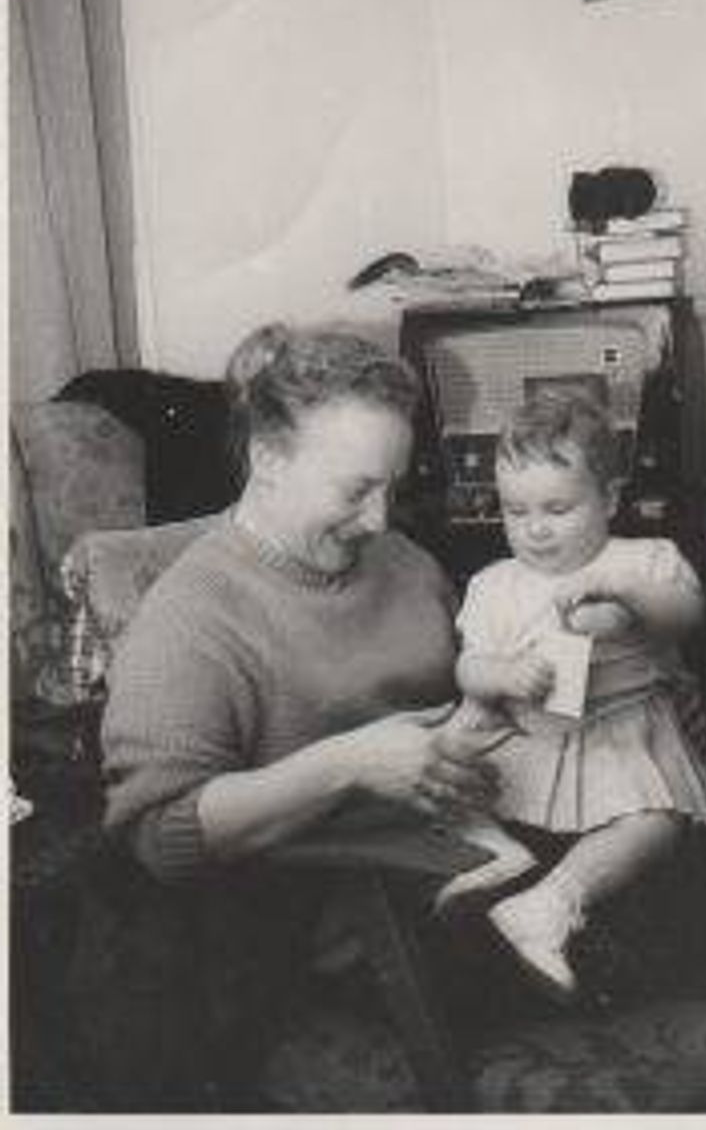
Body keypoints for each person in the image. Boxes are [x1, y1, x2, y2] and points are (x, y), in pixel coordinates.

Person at [92, 322, 501, 1108]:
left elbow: (462, 699)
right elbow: (159, 835)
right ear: (267, 460)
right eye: (355, 490)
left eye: (394, 486)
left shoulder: (404, 562)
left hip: (472, 869)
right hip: (348, 945)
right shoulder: (191, 618)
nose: (381, 520)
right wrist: (348, 761)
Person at [433, 388, 706, 999]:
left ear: (610, 499)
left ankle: (552, 902)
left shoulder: (643, 559)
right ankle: (496, 854)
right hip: (526, 732)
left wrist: (621, 590)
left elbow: (685, 614)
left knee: (657, 820)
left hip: (619, 737)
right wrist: (502, 675)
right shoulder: (495, 584)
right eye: (516, 512)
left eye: (558, 509)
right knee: (446, 780)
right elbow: (469, 667)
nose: (535, 530)